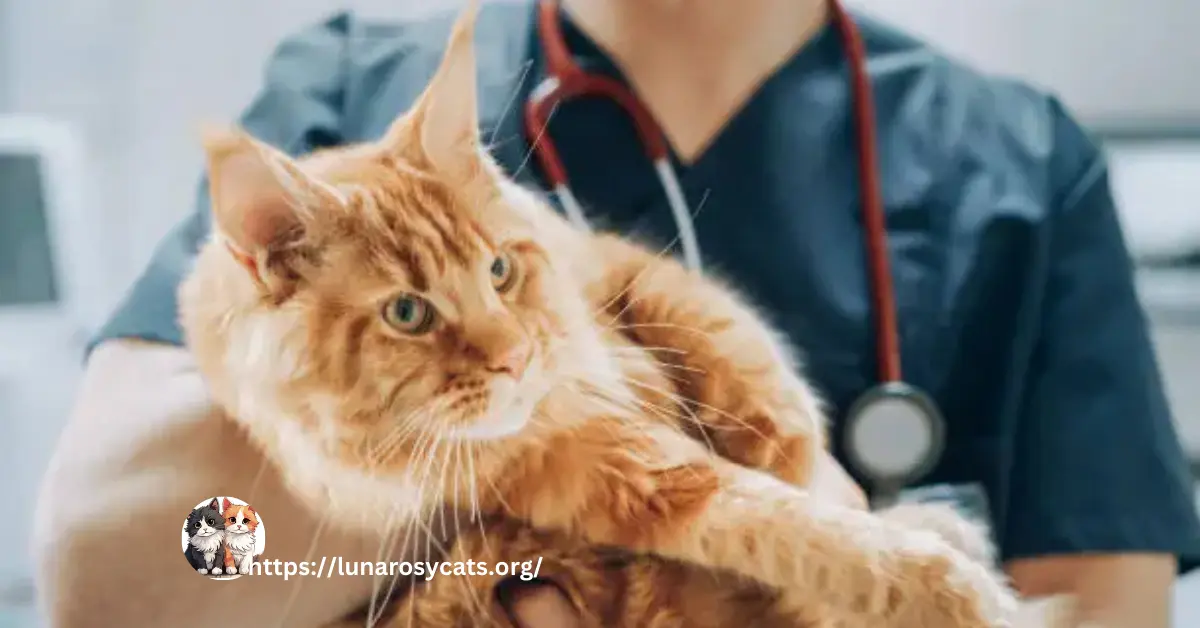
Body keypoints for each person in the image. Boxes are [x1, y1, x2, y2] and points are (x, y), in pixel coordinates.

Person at [33, 0, 1200, 626]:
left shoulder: (1020, 157)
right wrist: (547, 476)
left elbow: (1099, 609)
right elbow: (138, 568)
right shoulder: (354, 103)